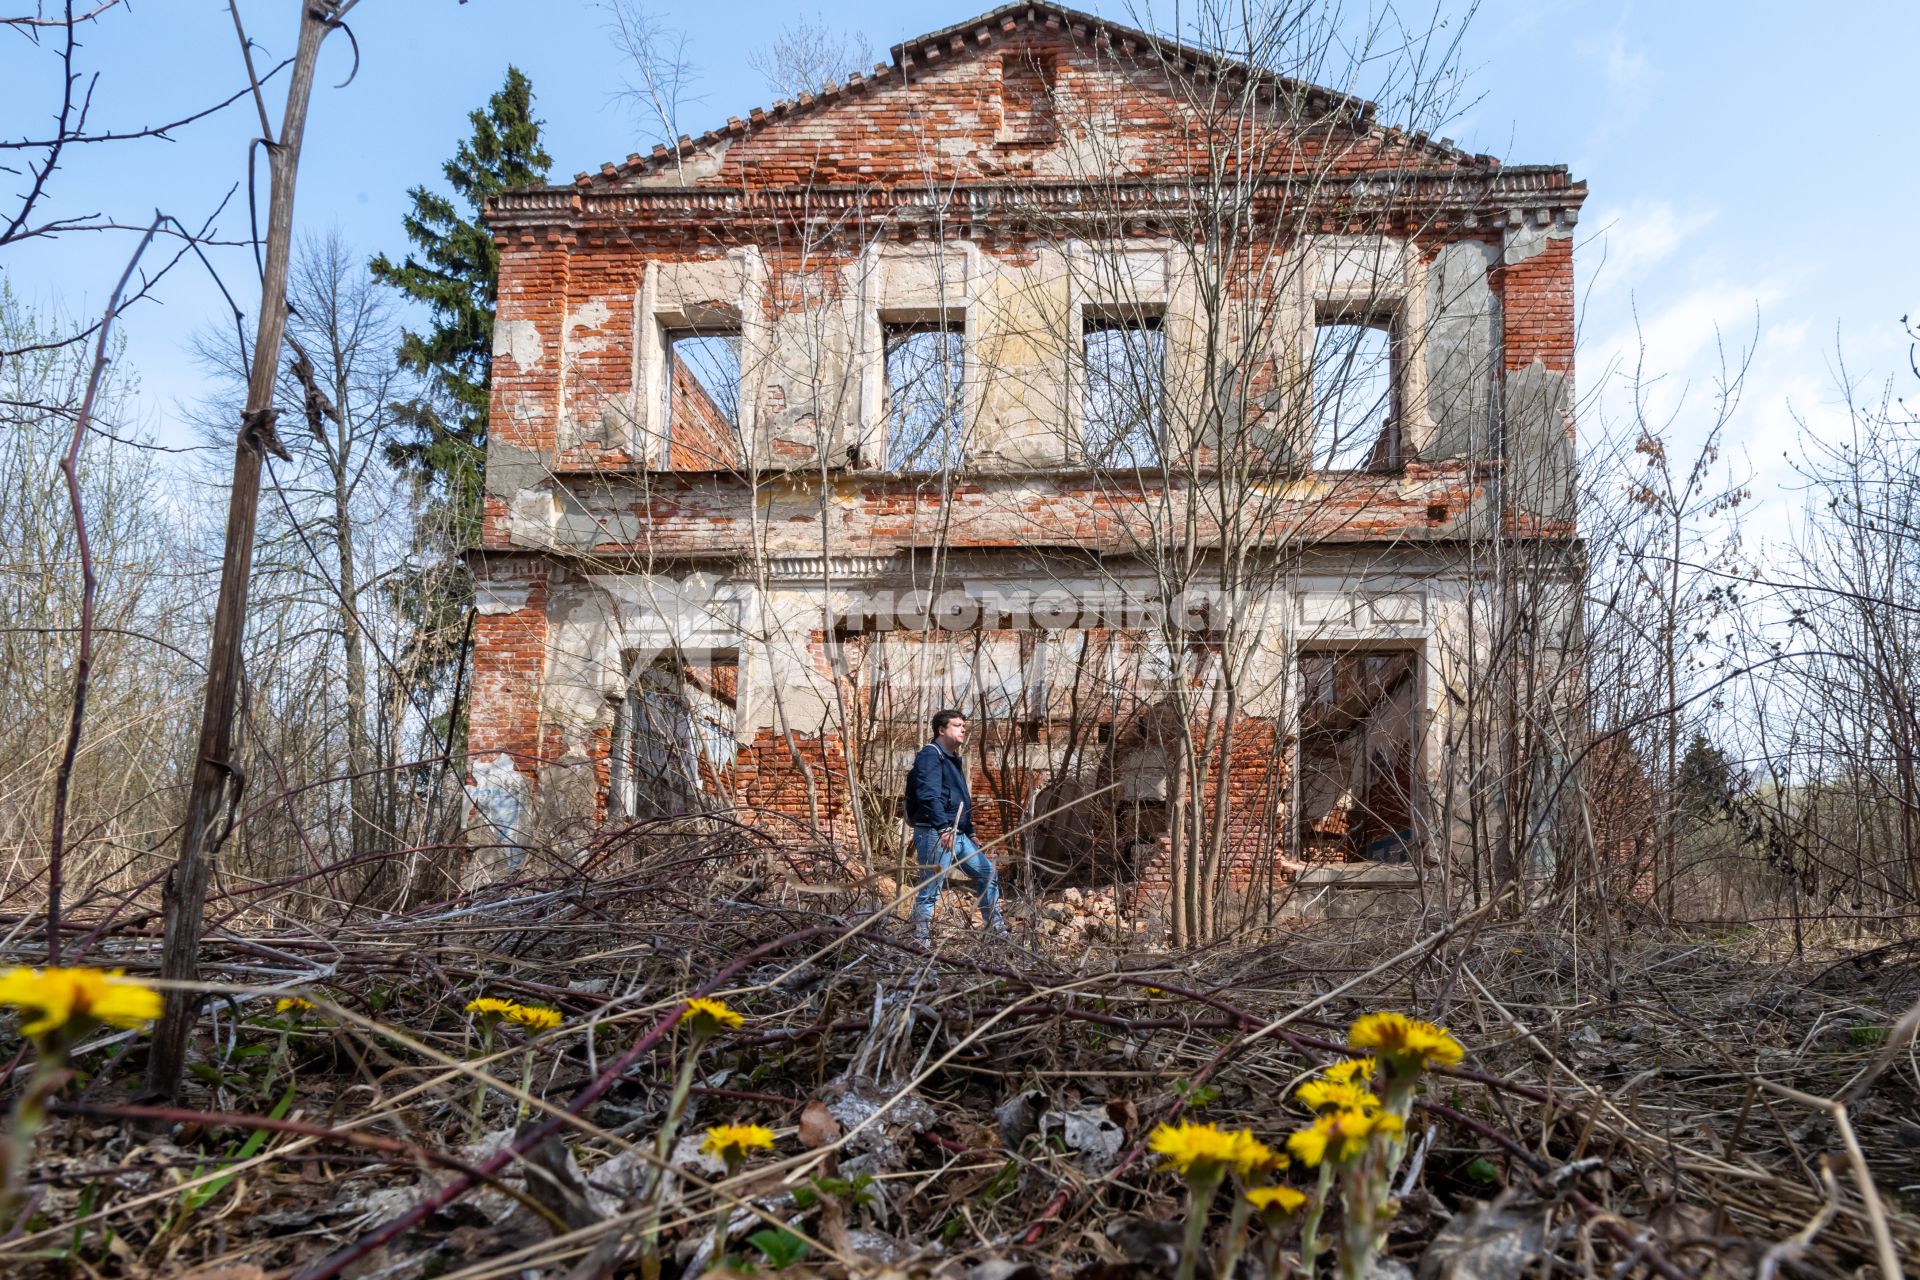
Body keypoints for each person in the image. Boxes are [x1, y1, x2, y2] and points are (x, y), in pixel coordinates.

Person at [904, 708, 1004, 940]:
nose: (963, 729)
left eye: (964, 726)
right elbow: (928, 796)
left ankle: (995, 932)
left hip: (958, 834)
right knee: (930, 891)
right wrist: (942, 828)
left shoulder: (953, 759)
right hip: (935, 833)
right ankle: (920, 942)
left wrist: (971, 831)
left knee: (987, 874)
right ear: (941, 729)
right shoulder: (930, 756)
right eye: (958, 725)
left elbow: (959, 799)